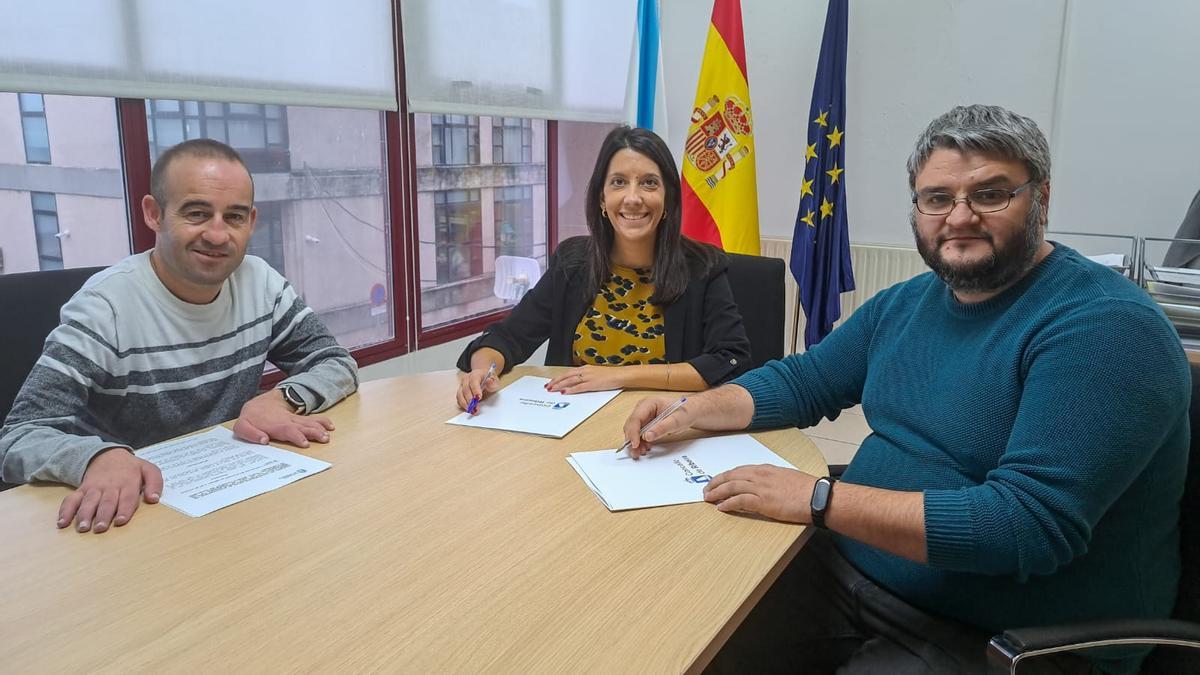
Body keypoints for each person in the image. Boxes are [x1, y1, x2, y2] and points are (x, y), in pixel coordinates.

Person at [623, 105, 1190, 674]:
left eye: (990, 194)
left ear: (1040, 198)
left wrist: (818, 499)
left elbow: (1024, 527)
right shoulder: (909, 301)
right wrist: (692, 408)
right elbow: (804, 381)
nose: (960, 217)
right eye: (938, 198)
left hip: (1001, 636)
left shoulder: (1106, 326)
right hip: (851, 567)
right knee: (677, 636)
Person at [0, 139, 359, 534]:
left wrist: (281, 399)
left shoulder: (261, 284)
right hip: (128, 514)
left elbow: (334, 361)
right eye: (197, 213)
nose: (218, 235)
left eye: (234, 216)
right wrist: (96, 458)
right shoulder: (106, 309)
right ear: (154, 214)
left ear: (252, 222)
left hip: (231, 495)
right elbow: (19, 435)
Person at [455, 126, 751, 410]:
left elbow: (730, 361)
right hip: (571, 423)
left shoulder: (702, 268)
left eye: (649, 183)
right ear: (601, 197)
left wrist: (619, 376)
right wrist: (483, 371)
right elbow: (508, 337)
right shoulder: (573, 262)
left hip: (661, 428)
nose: (632, 198)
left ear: (669, 198)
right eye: (619, 182)